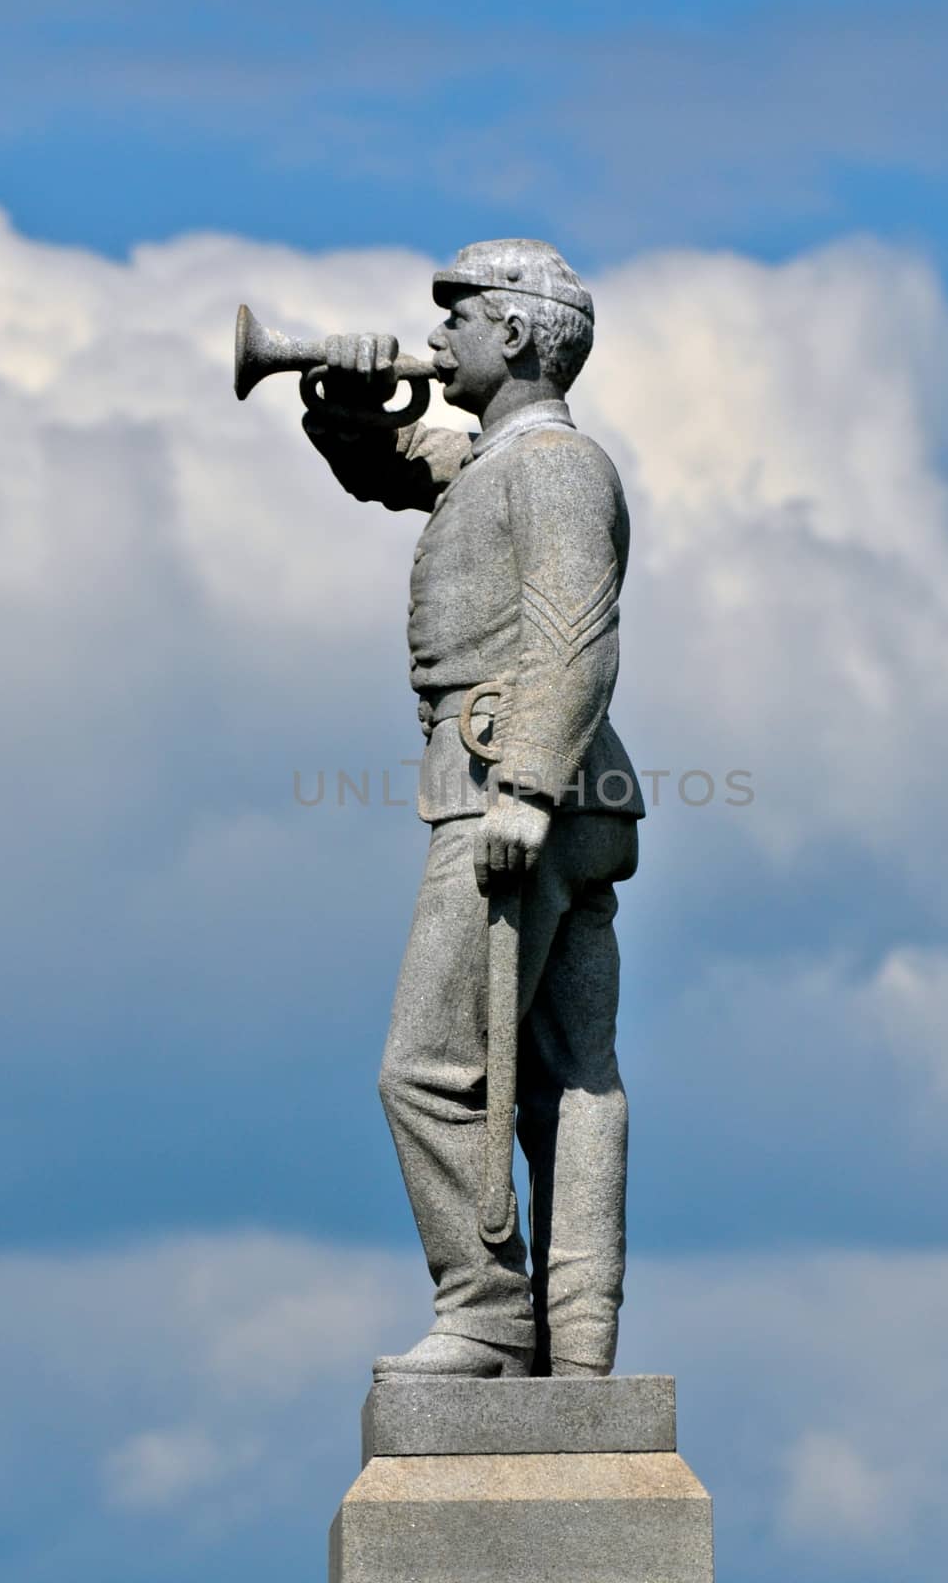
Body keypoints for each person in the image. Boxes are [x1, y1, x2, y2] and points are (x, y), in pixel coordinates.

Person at [304, 240, 644, 1379]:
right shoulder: (495, 462)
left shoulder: (550, 467)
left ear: (514, 334)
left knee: (430, 1066)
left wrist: (530, 787)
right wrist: (345, 405)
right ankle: (578, 1337)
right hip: (524, 784)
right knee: (565, 1076)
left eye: (457, 317)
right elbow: (391, 465)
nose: (438, 334)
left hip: (516, 786)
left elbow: (573, 636)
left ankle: (489, 1312)